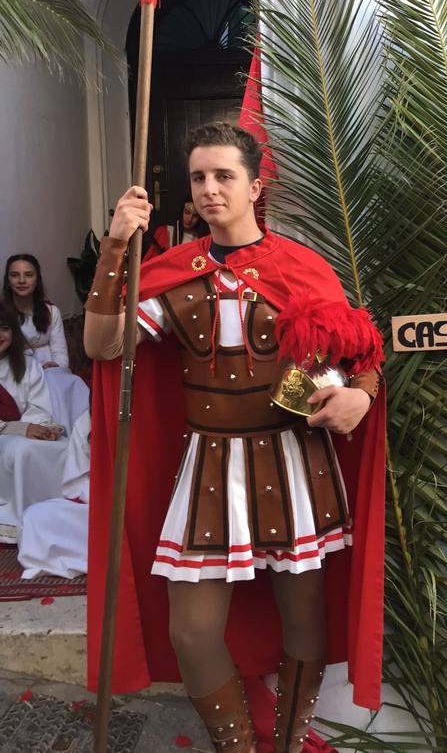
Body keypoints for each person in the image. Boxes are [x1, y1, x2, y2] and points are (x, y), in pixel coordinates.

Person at [84, 121, 385, 753]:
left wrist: (360, 395)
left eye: (225, 176)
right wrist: (115, 248)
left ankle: (287, 743)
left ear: (255, 184)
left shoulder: (300, 267)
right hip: (209, 467)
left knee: (305, 622)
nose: (210, 189)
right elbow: (102, 345)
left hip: (294, 461)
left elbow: (360, 357)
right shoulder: (171, 270)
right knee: (191, 632)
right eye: (199, 177)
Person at [0, 301, 69, 541]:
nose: (0, 335)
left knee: (63, 448)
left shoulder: (27, 365)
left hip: (23, 429)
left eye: (4, 328)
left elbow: (39, 404)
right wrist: (20, 429)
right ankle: (18, 520)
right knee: (22, 451)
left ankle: (53, 519)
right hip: (6, 435)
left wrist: (43, 429)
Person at [3, 255, 89, 433]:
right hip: (19, 371)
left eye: (28, 275)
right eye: (14, 275)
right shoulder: (3, 313)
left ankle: (80, 434)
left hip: (52, 370)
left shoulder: (51, 311)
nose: (21, 281)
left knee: (70, 383)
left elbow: (60, 352)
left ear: (37, 280)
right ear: (7, 280)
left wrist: (56, 366)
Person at [19, 408, 91, 579]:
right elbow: (76, 481)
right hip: (97, 504)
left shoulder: (147, 417)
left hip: (141, 507)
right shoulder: (86, 420)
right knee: (34, 516)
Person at [142, 196, 209, 262]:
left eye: (195, 216)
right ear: (181, 212)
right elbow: (152, 262)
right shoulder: (164, 232)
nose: (190, 219)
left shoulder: (202, 240)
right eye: (187, 212)